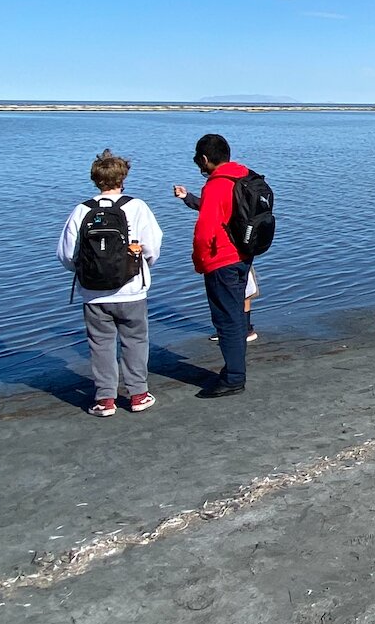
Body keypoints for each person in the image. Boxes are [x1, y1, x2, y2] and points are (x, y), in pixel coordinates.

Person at [57, 149, 164, 416]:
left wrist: (85, 272)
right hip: (131, 290)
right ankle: (138, 393)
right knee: (135, 340)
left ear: (95, 180)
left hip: (93, 293)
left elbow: (66, 254)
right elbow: (152, 247)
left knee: (100, 343)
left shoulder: (82, 210)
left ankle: (105, 399)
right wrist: (139, 268)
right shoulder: (137, 206)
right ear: (123, 177)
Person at [179, 133, 254, 395]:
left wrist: (199, 262)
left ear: (205, 159)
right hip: (243, 254)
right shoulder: (243, 174)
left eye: (198, 160)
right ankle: (234, 369)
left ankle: (234, 377)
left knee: (227, 319)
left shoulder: (216, 185)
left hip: (221, 258)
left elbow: (204, 230)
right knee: (235, 315)